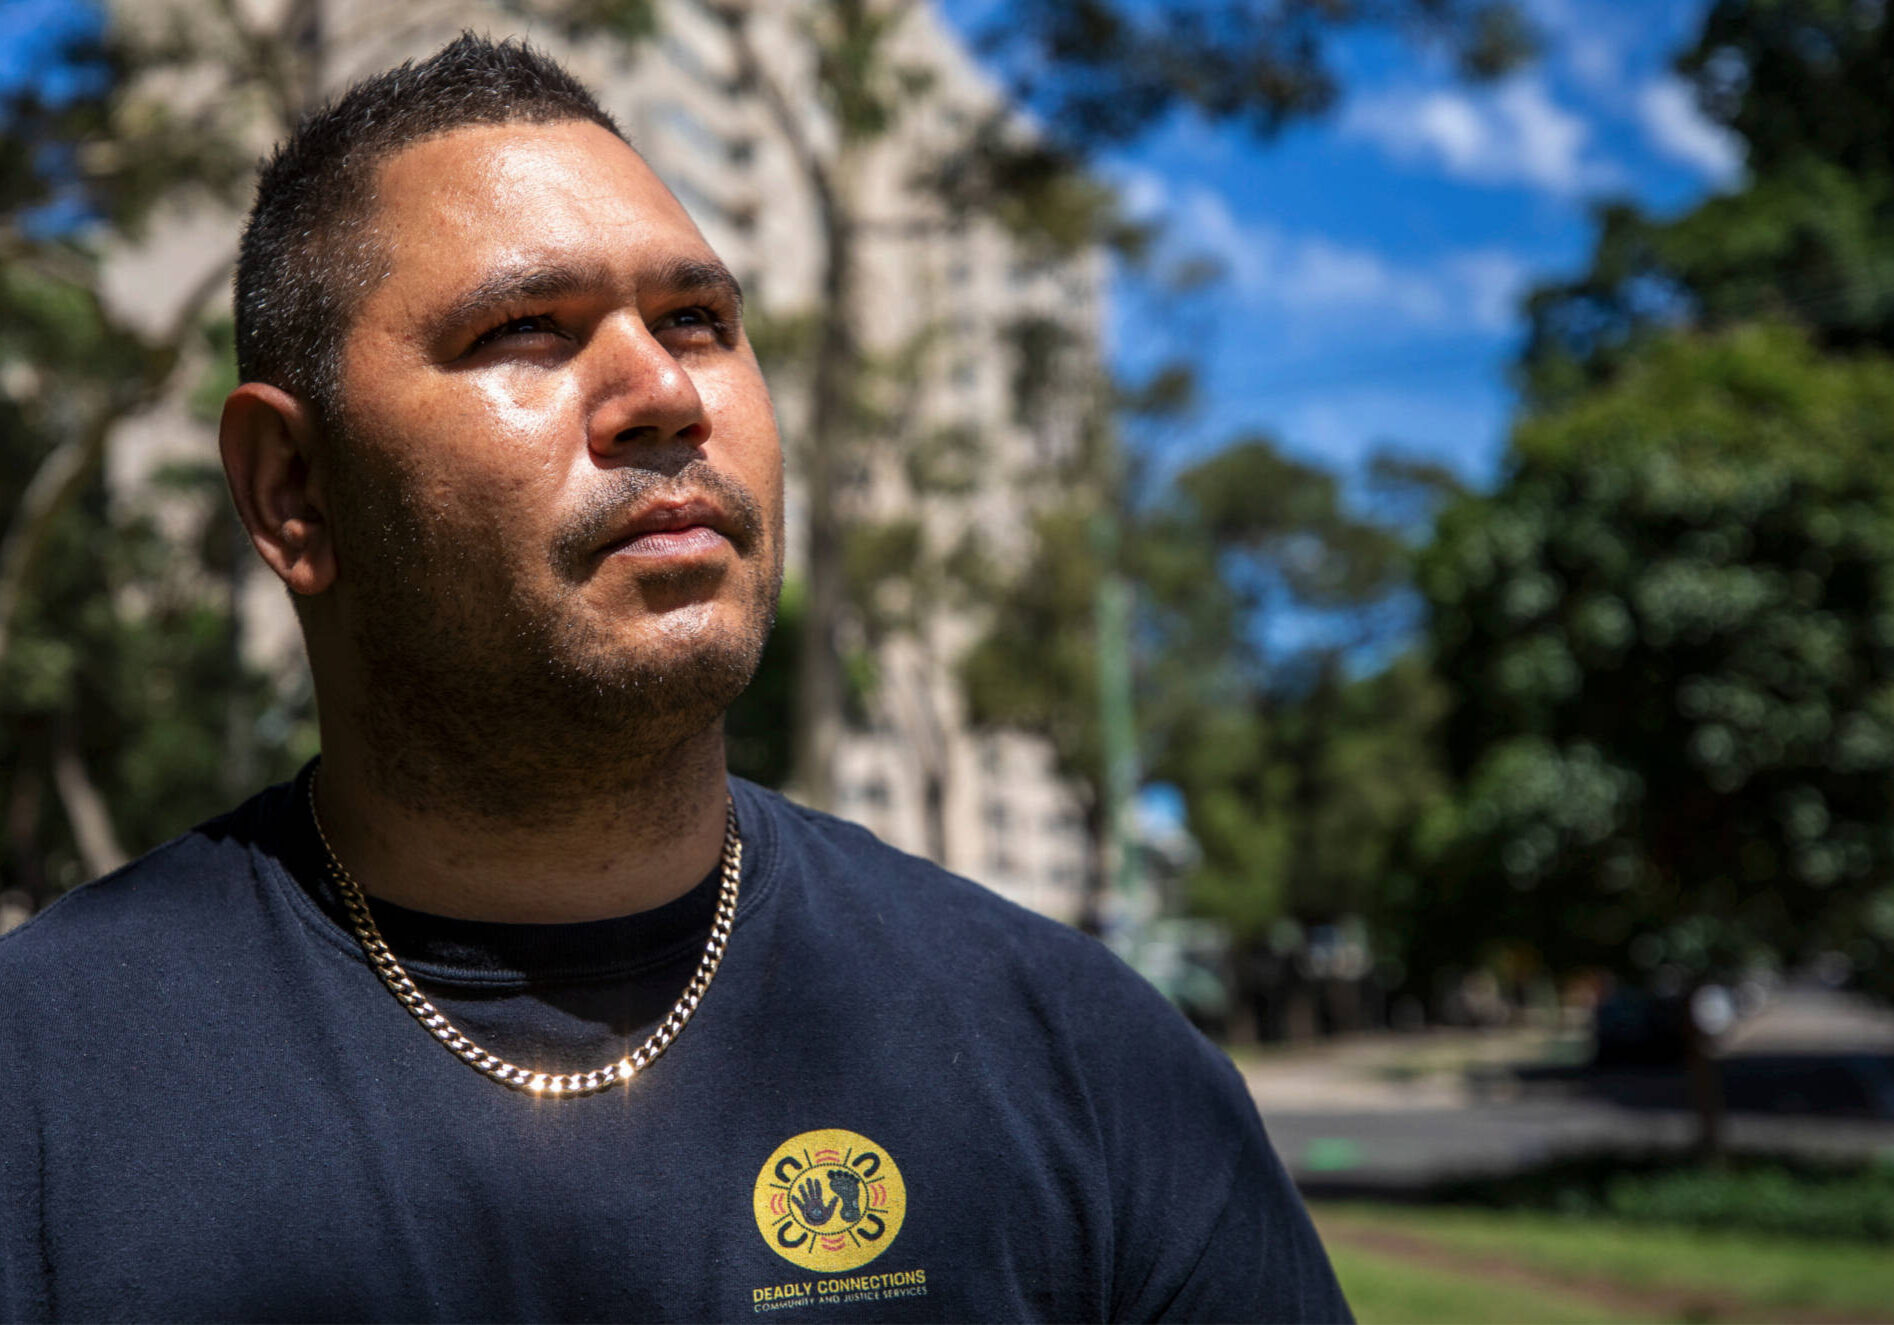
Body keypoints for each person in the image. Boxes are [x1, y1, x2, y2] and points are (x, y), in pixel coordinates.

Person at [0, 34, 1350, 1323]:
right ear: (292, 490)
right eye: (527, 326)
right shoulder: (47, 1088)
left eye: (698, 318)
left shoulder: (1082, 1058)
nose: (664, 391)